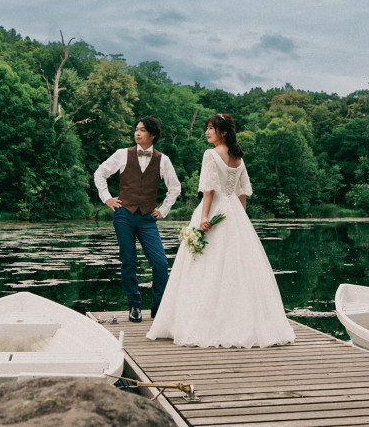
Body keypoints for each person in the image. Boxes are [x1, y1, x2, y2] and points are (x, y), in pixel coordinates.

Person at [147, 113, 295, 348]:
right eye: (206, 128)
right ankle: (243, 320)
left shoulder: (211, 155)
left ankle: (203, 321)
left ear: (223, 132)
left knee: (204, 266)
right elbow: (242, 193)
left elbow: (209, 190)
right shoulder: (239, 158)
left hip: (215, 209)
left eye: (211, 128)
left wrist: (204, 217)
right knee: (237, 269)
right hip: (234, 212)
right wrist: (242, 220)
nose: (207, 132)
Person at [94, 115, 181, 323]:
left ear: (152, 135)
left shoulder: (163, 160)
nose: (137, 132)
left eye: (142, 130)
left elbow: (175, 187)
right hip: (124, 214)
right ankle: (134, 306)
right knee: (128, 261)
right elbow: (100, 173)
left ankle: (158, 308)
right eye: (136, 129)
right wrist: (107, 199)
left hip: (147, 218)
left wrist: (164, 210)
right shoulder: (123, 154)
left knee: (160, 263)